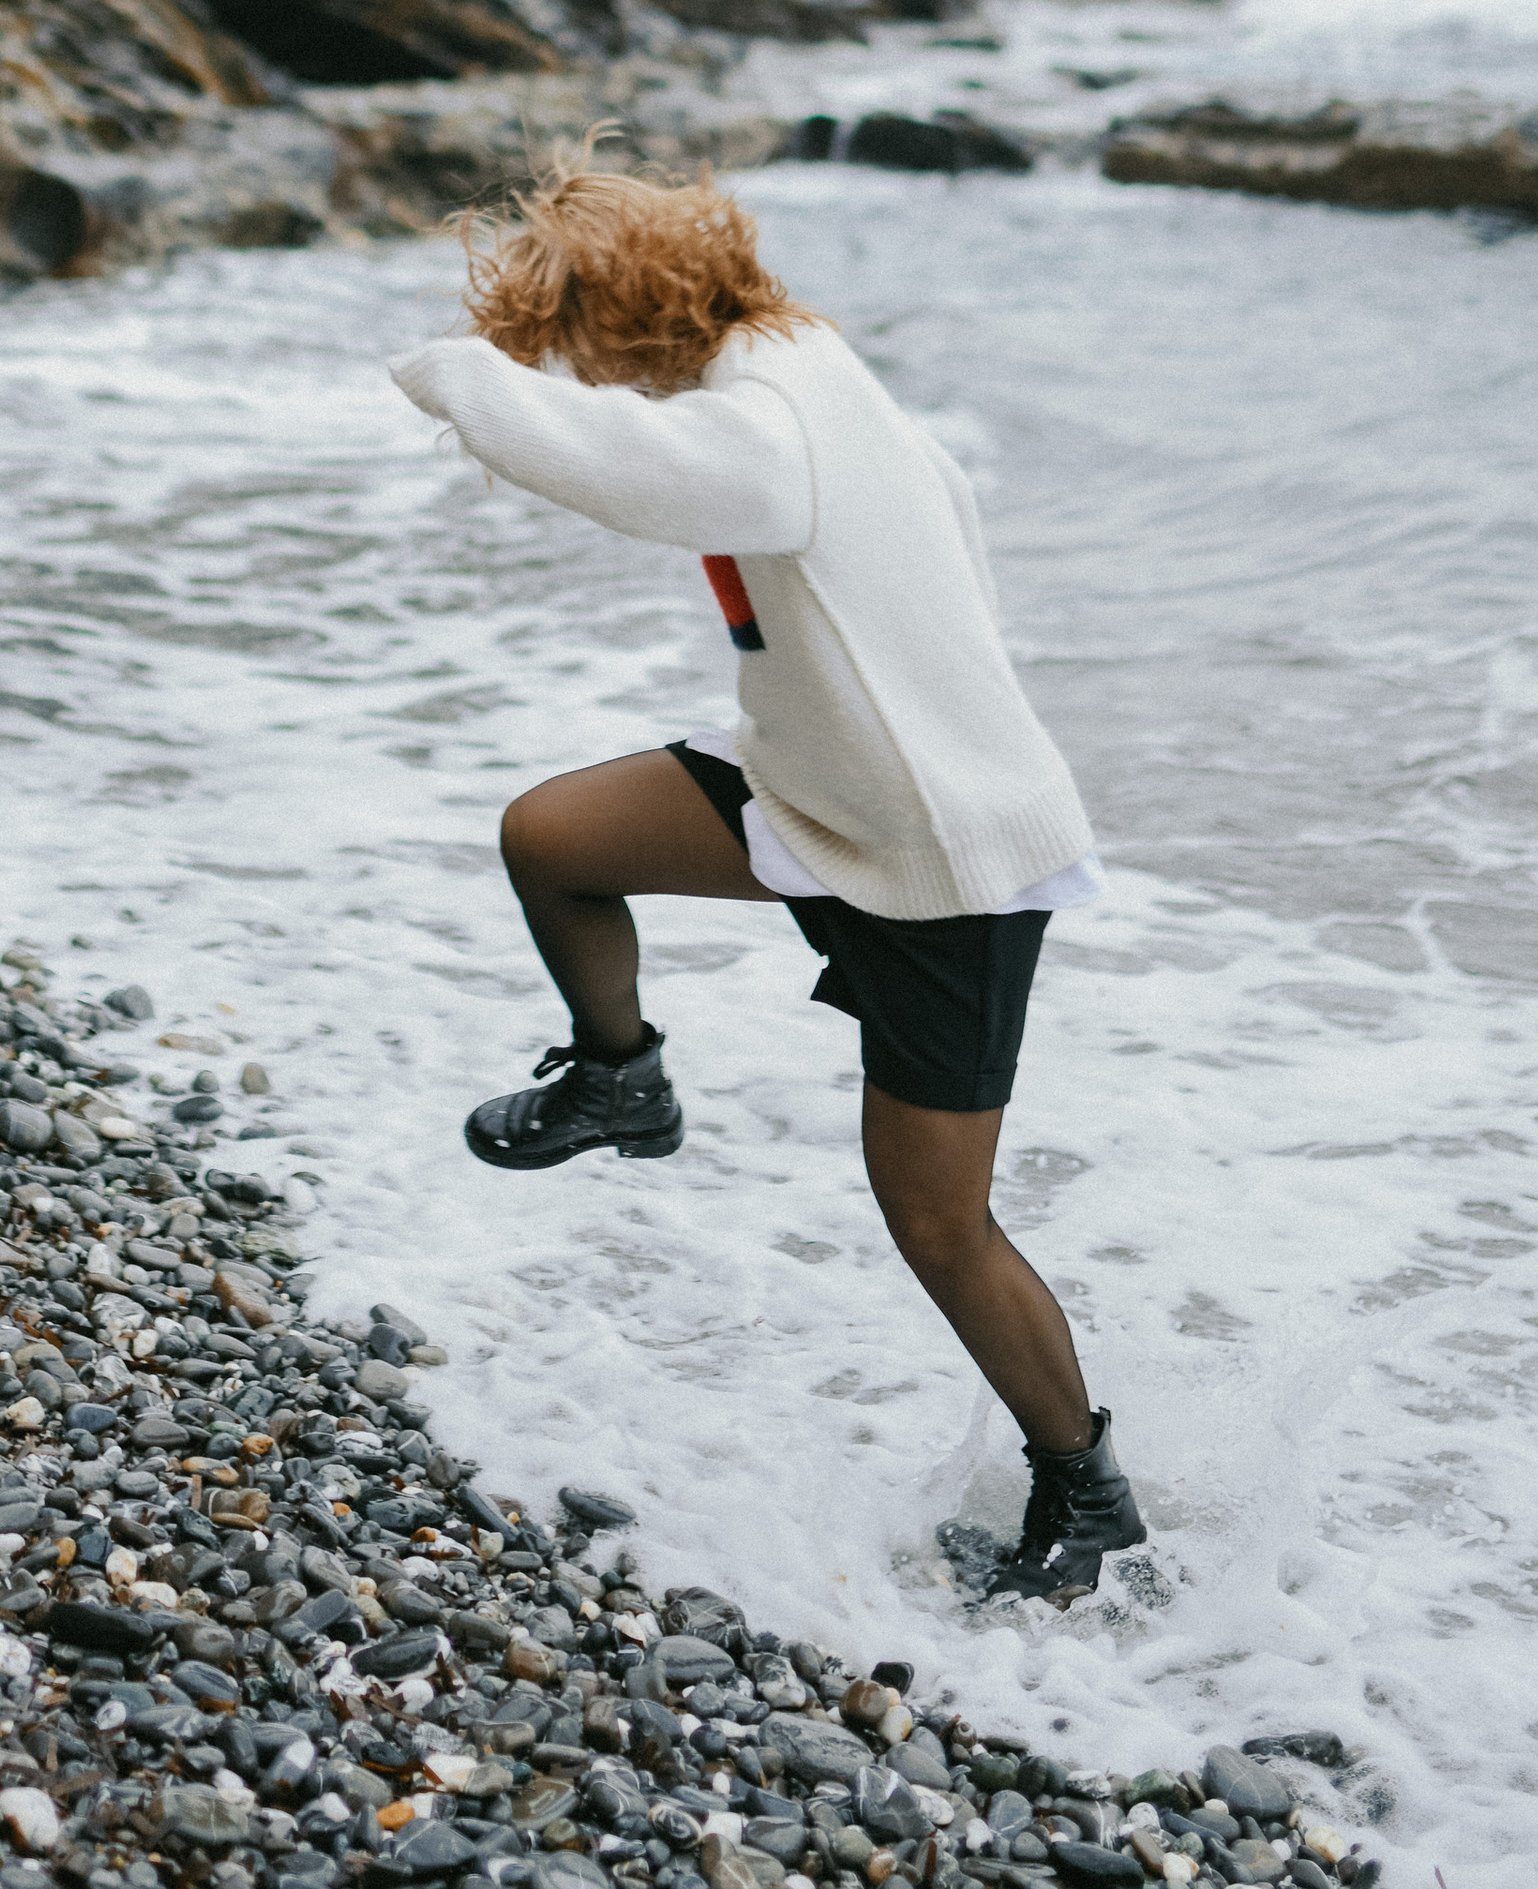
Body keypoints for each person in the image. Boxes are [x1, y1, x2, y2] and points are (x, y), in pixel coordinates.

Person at [389, 153, 1146, 1605]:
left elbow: (633, 480)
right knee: (552, 837)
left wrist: (456, 377)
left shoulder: (768, 411)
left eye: (573, 339)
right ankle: (622, 1080)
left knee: (936, 1219)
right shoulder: (795, 361)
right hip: (814, 796)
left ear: (626, 313)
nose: (578, 373)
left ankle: (1085, 1490)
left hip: (940, 860)